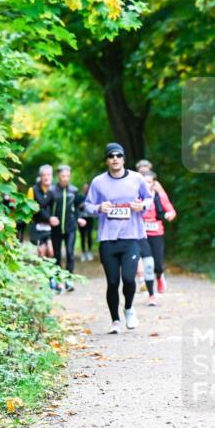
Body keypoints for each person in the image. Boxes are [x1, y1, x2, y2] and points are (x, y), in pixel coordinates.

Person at [83, 142, 153, 334]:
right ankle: (115, 320)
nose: (115, 159)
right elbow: (88, 205)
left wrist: (142, 206)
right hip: (108, 239)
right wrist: (99, 208)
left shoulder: (137, 178)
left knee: (129, 279)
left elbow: (149, 198)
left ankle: (129, 308)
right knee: (113, 281)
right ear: (107, 160)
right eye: (111, 156)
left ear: (123, 158)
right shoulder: (98, 182)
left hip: (131, 237)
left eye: (118, 155)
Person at [139, 170, 176, 302]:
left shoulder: (159, 196)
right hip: (142, 235)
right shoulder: (137, 196)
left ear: (154, 183)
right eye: (144, 182)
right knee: (148, 264)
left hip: (157, 233)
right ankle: (151, 295)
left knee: (158, 265)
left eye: (149, 182)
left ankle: (159, 277)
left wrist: (169, 215)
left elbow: (171, 210)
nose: (147, 185)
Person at [49, 164, 87, 291]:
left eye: (67, 176)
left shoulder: (74, 190)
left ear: (70, 176)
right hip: (56, 229)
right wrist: (50, 218)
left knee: (70, 254)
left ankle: (69, 280)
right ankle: (58, 280)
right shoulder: (52, 190)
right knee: (57, 255)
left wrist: (79, 218)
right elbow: (47, 207)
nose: (65, 178)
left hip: (71, 227)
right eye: (62, 176)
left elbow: (77, 208)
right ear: (58, 176)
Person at [28, 165, 59, 292]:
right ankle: (43, 282)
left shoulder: (54, 191)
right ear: (40, 177)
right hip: (37, 226)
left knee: (51, 252)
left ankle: (52, 279)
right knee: (41, 253)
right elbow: (31, 208)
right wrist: (48, 218)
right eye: (44, 175)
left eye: (49, 175)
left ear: (52, 177)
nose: (46, 177)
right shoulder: (33, 190)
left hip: (50, 227)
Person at [77, 182, 96, 261]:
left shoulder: (92, 197)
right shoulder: (79, 197)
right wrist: (81, 206)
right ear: (83, 189)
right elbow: (76, 207)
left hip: (90, 218)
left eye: (87, 188)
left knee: (89, 235)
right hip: (82, 218)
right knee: (82, 236)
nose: (86, 189)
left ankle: (90, 252)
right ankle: (83, 252)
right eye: (85, 188)